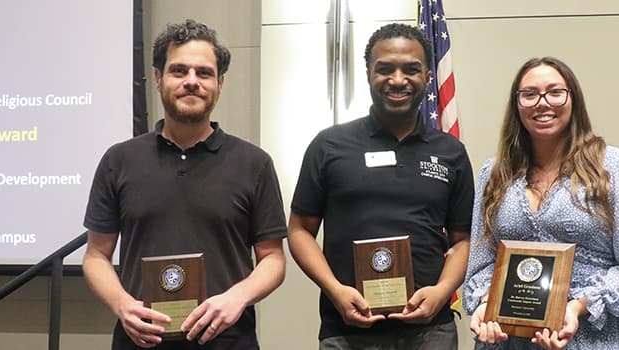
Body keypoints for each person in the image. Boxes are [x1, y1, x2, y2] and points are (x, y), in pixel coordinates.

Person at [82, 19, 287, 350]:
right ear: (159, 79)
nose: (192, 82)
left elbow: (274, 259)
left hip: (228, 341)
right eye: (179, 71)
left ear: (220, 84)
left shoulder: (255, 163)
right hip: (141, 339)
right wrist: (122, 304)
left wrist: (237, 297)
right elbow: (95, 256)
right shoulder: (118, 161)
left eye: (204, 73)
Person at [287, 23, 475, 350]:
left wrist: (442, 292)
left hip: (430, 330)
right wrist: (335, 290)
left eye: (411, 69)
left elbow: (464, 240)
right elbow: (300, 230)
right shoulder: (329, 145)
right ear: (368, 74)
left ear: (429, 78)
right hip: (347, 330)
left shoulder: (451, 152)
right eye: (385, 69)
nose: (398, 80)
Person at [463, 57, 619, 350]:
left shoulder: (612, 166)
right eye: (529, 94)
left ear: (573, 99)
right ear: (517, 105)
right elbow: (480, 264)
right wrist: (485, 303)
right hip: (506, 339)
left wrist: (578, 306)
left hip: (587, 337)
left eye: (555, 92)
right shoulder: (494, 173)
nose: (542, 102)